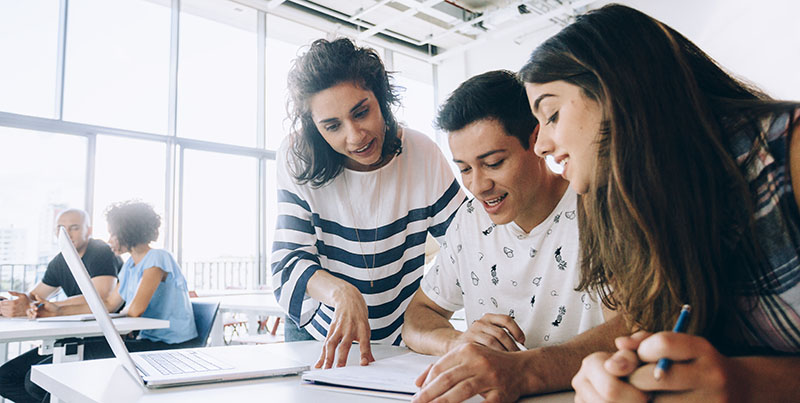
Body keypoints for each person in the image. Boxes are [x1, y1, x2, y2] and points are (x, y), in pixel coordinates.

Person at [520, 4, 800, 402]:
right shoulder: (622, 207)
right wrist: (619, 377)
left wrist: (751, 384)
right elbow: (649, 339)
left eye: (551, 114)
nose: (542, 146)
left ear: (617, 88)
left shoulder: (788, 153)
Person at [404, 70, 625, 403]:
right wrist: (457, 342)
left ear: (537, 140)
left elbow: (631, 326)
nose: (477, 186)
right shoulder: (469, 220)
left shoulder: (596, 206)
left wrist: (524, 368)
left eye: (493, 163)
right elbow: (417, 316)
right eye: (464, 168)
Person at [272, 37, 466, 369]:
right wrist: (340, 292)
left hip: (399, 334)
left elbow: (469, 245)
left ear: (382, 98)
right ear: (316, 129)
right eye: (332, 126)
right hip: (318, 335)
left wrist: (433, 309)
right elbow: (288, 264)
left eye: (361, 112)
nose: (355, 136)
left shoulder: (422, 154)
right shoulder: (297, 157)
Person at [23, 201, 198, 402]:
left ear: (127, 231)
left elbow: (135, 310)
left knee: (59, 370)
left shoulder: (158, 258)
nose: (109, 240)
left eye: (113, 234)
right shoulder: (130, 265)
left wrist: (68, 309)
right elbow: (109, 304)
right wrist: (57, 311)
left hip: (171, 346)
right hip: (147, 341)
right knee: (44, 375)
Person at [0, 208, 121, 403]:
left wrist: (47, 306)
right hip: (74, 337)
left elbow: (100, 297)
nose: (67, 233)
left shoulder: (100, 251)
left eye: (74, 228)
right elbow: (35, 296)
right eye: (61, 228)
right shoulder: (60, 261)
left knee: (36, 383)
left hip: (105, 338)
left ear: (88, 231)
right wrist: (14, 303)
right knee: (4, 378)